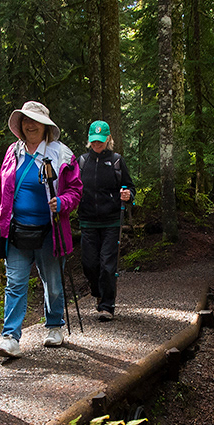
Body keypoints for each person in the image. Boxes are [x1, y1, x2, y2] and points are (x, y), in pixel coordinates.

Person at [0, 101, 81, 358]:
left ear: (45, 126)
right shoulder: (13, 152)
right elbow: (1, 188)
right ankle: (10, 337)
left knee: (53, 284)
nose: (29, 125)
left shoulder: (61, 154)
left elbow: (76, 189)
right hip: (17, 230)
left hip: (50, 231)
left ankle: (54, 325)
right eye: (25, 120)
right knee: (15, 283)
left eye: (34, 120)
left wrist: (62, 202)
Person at [77, 121, 135, 321]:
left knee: (108, 265)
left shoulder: (117, 161)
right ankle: (98, 292)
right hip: (87, 221)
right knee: (89, 264)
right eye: (93, 140)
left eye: (100, 141)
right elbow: (73, 189)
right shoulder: (82, 161)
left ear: (108, 139)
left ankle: (107, 306)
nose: (96, 144)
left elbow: (130, 188)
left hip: (111, 221)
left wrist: (128, 195)